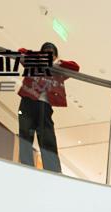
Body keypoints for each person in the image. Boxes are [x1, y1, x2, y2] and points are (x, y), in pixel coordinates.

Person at [17, 42, 80, 173]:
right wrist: (39, 57)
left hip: (45, 106)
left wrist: (57, 63)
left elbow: (75, 67)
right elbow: (20, 51)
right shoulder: (33, 62)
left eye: (51, 54)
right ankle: (26, 167)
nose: (47, 56)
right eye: (45, 53)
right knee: (25, 133)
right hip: (28, 102)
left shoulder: (58, 69)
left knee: (47, 137)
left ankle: (53, 171)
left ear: (55, 56)